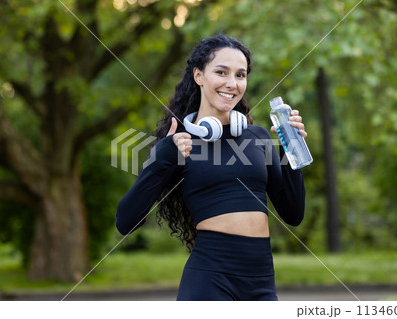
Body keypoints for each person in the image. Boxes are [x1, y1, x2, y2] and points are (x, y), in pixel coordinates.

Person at [116, 34, 307, 301]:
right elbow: (126, 221)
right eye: (221, 72)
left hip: (262, 281)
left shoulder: (258, 137)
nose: (232, 83)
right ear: (199, 76)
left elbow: (293, 213)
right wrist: (163, 157)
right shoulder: (178, 144)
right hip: (210, 281)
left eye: (240, 75)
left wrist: (290, 149)